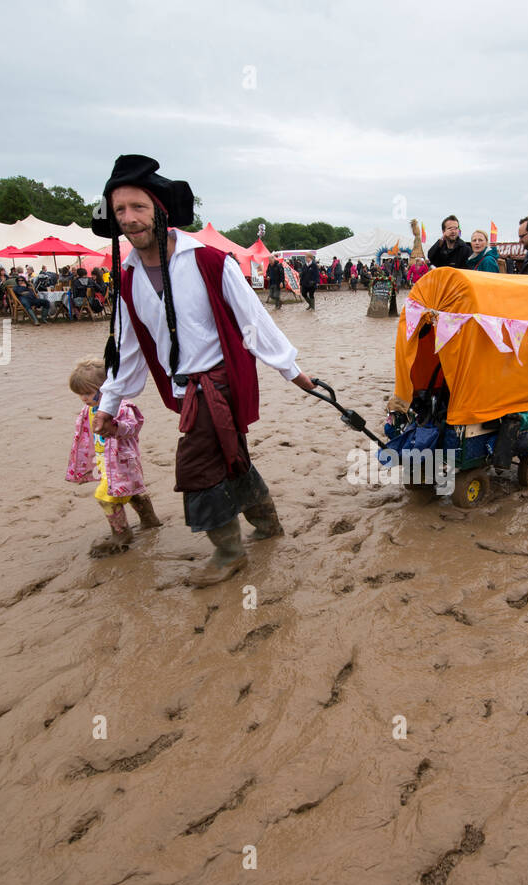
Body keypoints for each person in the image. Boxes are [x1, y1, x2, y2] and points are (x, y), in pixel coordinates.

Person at [89, 154, 319, 586]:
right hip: (183, 391)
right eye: (120, 210)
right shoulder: (127, 278)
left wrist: (292, 371)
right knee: (231, 458)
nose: (129, 218)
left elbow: (254, 321)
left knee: (197, 468)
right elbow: (130, 347)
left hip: (218, 385)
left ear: (159, 210)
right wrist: (109, 403)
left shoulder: (209, 261)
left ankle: (229, 553)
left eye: (138, 206)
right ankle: (268, 525)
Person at [67, 356, 162, 557]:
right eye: (80, 394)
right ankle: (150, 520)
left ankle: (121, 533)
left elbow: (133, 426)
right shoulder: (89, 409)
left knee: (106, 498)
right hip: (104, 461)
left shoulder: (122, 406)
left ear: (106, 388)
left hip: (122, 461)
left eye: (88, 393)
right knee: (128, 491)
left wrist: (115, 427)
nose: (84, 398)